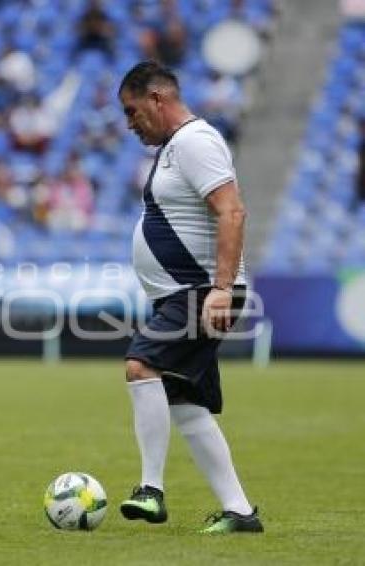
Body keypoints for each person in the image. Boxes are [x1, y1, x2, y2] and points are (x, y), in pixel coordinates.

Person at [116, 61, 262, 533]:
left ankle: (150, 490)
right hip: (187, 293)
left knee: (141, 366)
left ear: (157, 99)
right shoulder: (176, 148)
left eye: (132, 110)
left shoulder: (195, 142)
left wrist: (221, 290)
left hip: (201, 292)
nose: (129, 123)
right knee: (184, 402)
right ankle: (239, 512)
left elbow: (232, 211)